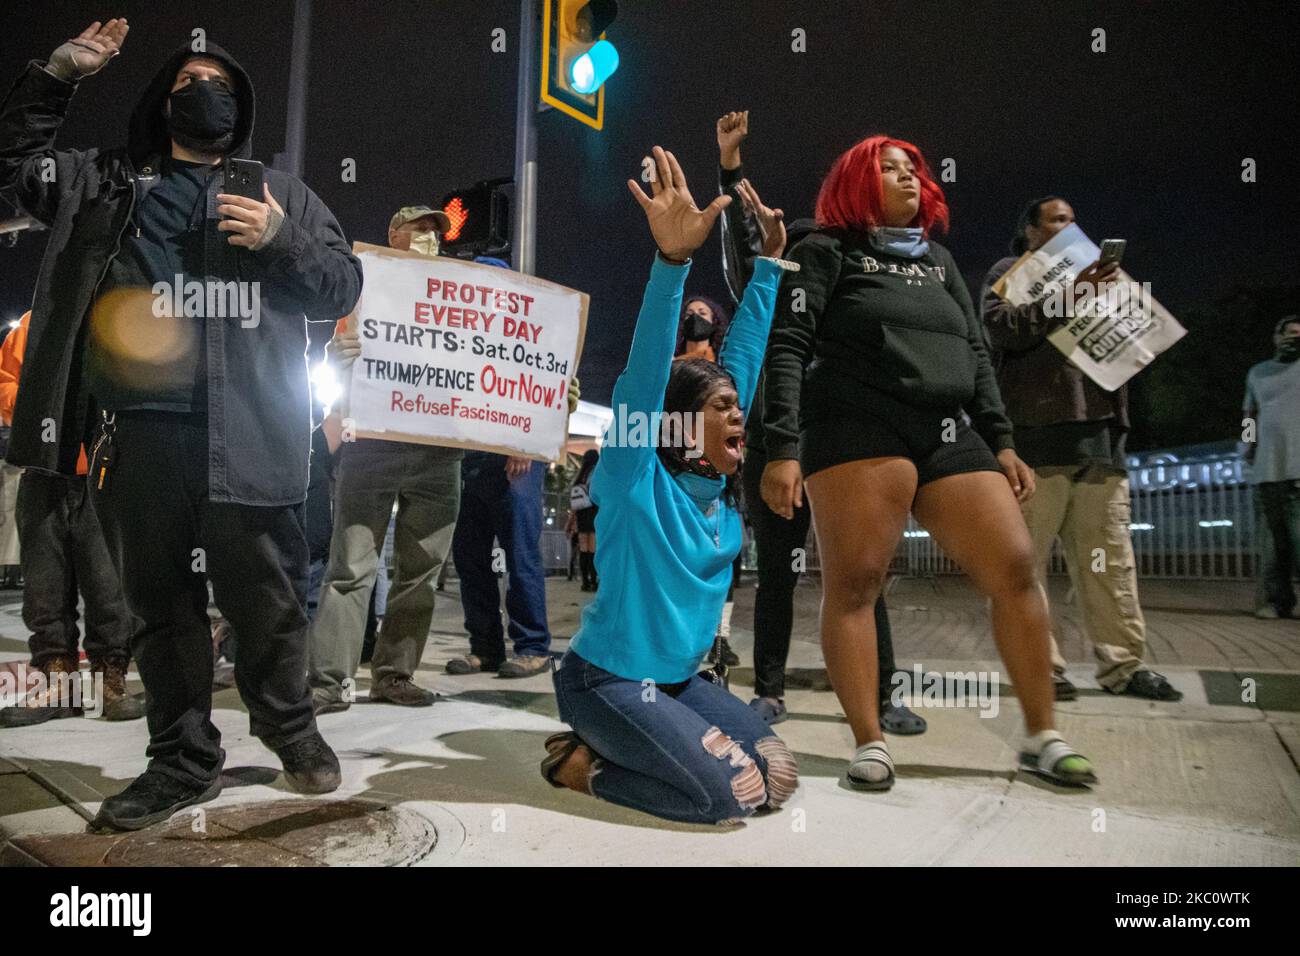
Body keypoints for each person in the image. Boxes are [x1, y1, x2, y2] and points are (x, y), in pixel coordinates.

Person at [0, 20, 362, 830]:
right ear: (162, 103)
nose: (206, 94)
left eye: (222, 84)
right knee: (157, 610)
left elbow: (340, 286)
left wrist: (278, 240)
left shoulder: (285, 195)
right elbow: (15, 171)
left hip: (255, 436)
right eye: (189, 83)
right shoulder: (105, 181)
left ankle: (290, 728)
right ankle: (182, 760)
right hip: (139, 440)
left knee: (264, 600)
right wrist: (57, 76)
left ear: (243, 106)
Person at [762, 135, 1096, 790]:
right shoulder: (824, 251)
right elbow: (788, 347)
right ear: (858, 184)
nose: (907, 177)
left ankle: (1041, 735)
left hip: (947, 429)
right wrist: (783, 447)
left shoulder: (938, 258)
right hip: (856, 426)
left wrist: (1000, 440)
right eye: (888, 170)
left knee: (1016, 567)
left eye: (911, 168)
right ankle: (870, 739)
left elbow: (975, 352)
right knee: (857, 582)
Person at [543, 147, 799, 825]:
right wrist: (671, 264)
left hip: (679, 681)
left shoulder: (716, 493)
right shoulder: (634, 477)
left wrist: (768, 268)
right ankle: (582, 766)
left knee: (778, 776)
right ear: (682, 427)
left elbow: (739, 361)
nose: (738, 414)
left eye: (737, 408)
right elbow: (644, 379)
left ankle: (655, 747)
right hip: (607, 681)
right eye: (720, 410)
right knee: (728, 794)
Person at [715, 111, 926, 733]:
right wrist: (730, 171)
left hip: (843, 444)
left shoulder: (863, 279)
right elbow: (742, 249)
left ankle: (881, 696)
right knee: (777, 573)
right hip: (778, 444)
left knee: (860, 575)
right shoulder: (777, 279)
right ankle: (770, 688)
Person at [980, 197, 1181, 701]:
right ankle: (1041, 667)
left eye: (1073, 221)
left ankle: (1123, 666)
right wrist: (1072, 295)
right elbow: (1001, 329)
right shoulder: (1010, 271)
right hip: (1035, 441)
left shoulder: (1101, 275)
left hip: (1100, 439)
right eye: (1057, 221)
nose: (1070, 227)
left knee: (1109, 561)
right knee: (1025, 566)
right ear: (1030, 230)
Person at [309, 205, 462, 713]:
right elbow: (333, 359)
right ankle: (329, 683)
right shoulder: (361, 287)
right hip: (371, 445)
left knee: (421, 571)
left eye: (435, 233)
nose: (428, 239)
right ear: (392, 234)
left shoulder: (464, 295)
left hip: (440, 453)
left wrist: (546, 397)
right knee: (352, 566)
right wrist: (336, 358)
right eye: (419, 229)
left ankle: (394, 676)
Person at [0, 312, 143, 726]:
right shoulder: (35, 323)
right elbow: (5, 382)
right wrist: (35, 407)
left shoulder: (114, 316)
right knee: (43, 589)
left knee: (108, 588)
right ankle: (55, 681)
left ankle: (108, 680)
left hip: (103, 473)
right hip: (42, 471)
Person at [444, 254, 580, 679]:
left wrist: (524, 439)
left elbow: (552, 389)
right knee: (470, 558)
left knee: (520, 555)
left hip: (516, 460)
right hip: (467, 461)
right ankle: (484, 647)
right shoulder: (458, 338)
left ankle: (532, 645)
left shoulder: (533, 337)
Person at [1243, 315, 1300, 619]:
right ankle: (1275, 601)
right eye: (1289, 333)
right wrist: (1248, 446)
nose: (1294, 338)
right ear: (1276, 337)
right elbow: (1249, 415)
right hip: (1268, 472)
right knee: (1272, 544)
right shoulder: (1257, 373)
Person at [570, 449, 600, 591]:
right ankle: (594, 581)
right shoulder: (596, 473)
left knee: (583, 549)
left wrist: (571, 521)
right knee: (593, 550)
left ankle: (585, 582)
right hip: (593, 513)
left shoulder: (580, 475)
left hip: (582, 515)